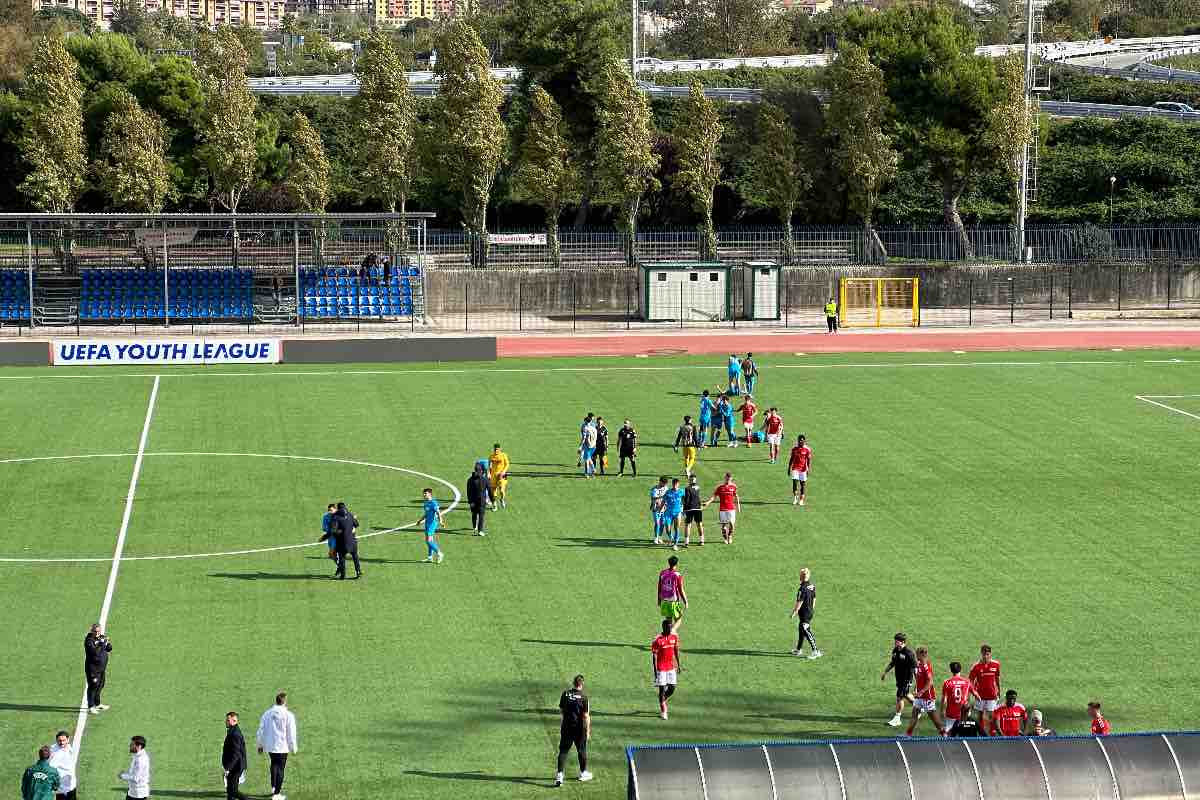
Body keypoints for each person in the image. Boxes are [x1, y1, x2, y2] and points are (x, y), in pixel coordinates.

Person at [257, 693, 298, 800]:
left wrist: (260, 744)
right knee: (280, 768)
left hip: (271, 746)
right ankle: (277, 794)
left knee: (274, 764)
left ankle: (273, 786)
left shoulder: (267, 713)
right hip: (283, 746)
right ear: (285, 701)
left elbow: (261, 730)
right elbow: (291, 732)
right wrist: (293, 747)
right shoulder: (288, 715)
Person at [555, 675, 592, 786]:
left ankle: (559, 775)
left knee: (563, 751)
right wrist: (587, 731)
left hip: (566, 727)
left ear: (573, 683)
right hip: (579, 729)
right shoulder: (584, 698)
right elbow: (585, 716)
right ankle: (583, 773)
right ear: (582, 684)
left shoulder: (565, 694)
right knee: (581, 750)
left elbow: (561, 710)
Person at [905, 647, 944, 736]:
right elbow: (919, 680)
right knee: (914, 714)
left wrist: (921, 692)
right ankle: (908, 734)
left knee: (934, 719)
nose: (916, 656)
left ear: (921, 655)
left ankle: (944, 734)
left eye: (917, 654)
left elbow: (930, 682)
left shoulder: (926, 666)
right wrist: (916, 689)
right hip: (919, 697)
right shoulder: (919, 665)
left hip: (927, 697)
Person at [881, 632, 917, 727]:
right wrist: (885, 672)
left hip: (906, 679)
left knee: (899, 697)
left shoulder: (909, 653)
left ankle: (897, 718)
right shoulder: (895, 650)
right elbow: (893, 662)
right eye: (895, 641)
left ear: (903, 642)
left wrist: (917, 684)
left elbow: (915, 668)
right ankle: (918, 706)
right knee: (905, 694)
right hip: (899, 678)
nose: (895, 643)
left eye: (897, 641)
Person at [650, 619, 682, 720]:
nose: (670, 629)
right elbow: (654, 656)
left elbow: (676, 650)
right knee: (662, 689)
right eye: (668, 627)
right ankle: (663, 711)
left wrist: (678, 665)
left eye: (671, 627)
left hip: (671, 667)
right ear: (663, 627)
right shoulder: (658, 640)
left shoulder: (674, 637)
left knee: (672, 688)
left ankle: (662, 699)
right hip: (661, 668)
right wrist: (655, 672)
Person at [969, 644, 1002, 736]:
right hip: (980, 695)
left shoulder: (996, 664)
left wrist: (999, 690)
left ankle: (991, 733)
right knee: (979, 716)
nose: (986, 656)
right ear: (981, 654)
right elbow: (970, 681)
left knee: (991, 716)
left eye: (987, 654)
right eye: (984, 654)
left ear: (990, 654)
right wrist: (974, 692)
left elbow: (997, 678)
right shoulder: (976, 666)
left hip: (992, 695)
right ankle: (981, 734)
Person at [789, 567, 821, 659]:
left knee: (806, 630)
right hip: (809, 611)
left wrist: (794, 612)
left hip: (805, 613)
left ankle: (816, 651)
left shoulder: (802, 589)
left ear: (801, 577)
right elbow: (814, 598)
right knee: (801, 630)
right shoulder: (812, 586)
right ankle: (798, 649)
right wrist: (811, 609)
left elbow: (800, 602)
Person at [703, 472, 740, 544]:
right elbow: (714, 496)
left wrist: (738, 505)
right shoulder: (720, 488)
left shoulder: (734, 487)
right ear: (725, 478)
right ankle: (725, 538)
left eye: (729, 478)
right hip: (722, 509)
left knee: (732, 524)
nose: (728, 479)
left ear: (731, 479)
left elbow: (736, 496)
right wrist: (708, 502)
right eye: (727, 478)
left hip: (731, 509)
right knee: (723, 526)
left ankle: (730, 536)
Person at [84, 623, 112, 715]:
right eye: (95, 631)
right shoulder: (89, 641)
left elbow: (109, 649)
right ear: (91, 631)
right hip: (93, 669)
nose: (97, 633)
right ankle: (90, 706)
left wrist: (107, 644)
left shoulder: (101, 638)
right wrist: (102, 644)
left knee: (100, 685)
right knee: (93, 686)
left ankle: (97, 703)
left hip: (101, 668)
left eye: (98, 631)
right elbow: (95, 653)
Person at [940, 661, 973, 735]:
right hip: (963, 714)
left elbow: (944, 699)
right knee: (964, 733)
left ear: (951, 670)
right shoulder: (967, 682)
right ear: (960, 669)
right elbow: (974, 694)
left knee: (948, 734)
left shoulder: (947, 682)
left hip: (951, 714)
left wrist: (942, 711)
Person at [657, 555, 688, 630]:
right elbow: (681, 589)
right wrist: (685, 601)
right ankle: (672, 632)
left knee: (669, 621)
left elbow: (659, 586)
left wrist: (659, 599)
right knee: (678, 619)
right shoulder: (677, 575)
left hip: (664, 601)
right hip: (673, 601)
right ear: (676, 563)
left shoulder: (662, 573)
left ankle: (669, 633)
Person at [222, 712, 248, 800]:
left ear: (234, 721)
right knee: (230, 790)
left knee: (233, 791)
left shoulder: (235, 734)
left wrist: (228, 768)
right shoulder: (232, 731)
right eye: (226, 720)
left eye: (228, 720)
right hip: (235, 766)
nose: (226, 721)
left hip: (236, 767)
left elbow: (235, 754)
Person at [332, 502, 360, 580]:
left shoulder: (336, 517)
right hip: (352, 541)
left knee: (342, 558)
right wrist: (354, 519)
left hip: (342, 542)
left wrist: (340, 532)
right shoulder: (350, 514)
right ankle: (358, 571)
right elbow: (356, 524)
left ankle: (343, 575)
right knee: (355, 556)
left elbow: (334, 531)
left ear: (338, 509)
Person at [119, 736, 150, 800]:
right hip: (133, 792)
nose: (130, 745)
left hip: (138, 795)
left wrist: (123, 776)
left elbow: (136, 778)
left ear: (139, 746)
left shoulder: (141, 760)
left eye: (132, 744)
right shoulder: (138, 755)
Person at [49, 731, 76, 800]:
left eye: (64, 740)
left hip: (71, 784)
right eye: (60, 741)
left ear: (68, 739)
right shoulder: (55, 752)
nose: (62, 743)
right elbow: (51, 767)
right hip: (61, 787)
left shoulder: (69, 748)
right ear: (56, 740)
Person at [421, 488, 445, 564]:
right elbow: (426, 514)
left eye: (425, 493)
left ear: (430, 494)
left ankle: (439, 553)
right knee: (429, 540)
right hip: (427, 523)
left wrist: (441, 521)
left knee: (428, 541)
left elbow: (438, 512)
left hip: (432, 524)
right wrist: (420, 520)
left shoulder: (433, 503)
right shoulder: (425, 503)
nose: (424, 495)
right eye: (424, 493)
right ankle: (430, 557)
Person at [466, 464, 491, 537]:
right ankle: (475, 526)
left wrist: (492, 500)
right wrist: (470, 502)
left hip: (481, 502)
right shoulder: (470, 480)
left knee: (481, 516)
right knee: (474, 514)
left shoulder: (484, 479)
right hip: (474, 501)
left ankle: (480, 530)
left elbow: (489, 490)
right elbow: (469, 492)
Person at [788, 435, 813, 507]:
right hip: (795, 468)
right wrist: (789, 468)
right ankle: (795, 498)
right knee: (795, 483)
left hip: (803, 469)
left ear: (804, 441)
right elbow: (791, 458)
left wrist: (808, 469)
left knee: (802, 485)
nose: (800, 441)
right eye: (799, 440)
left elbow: (808, 460)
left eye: (802, 440)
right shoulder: (794, 449)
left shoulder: (807, 449)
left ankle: (801, 500)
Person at [663, 478, 685, 550]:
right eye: (673, 484)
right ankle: (670, 538)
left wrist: (684, 510)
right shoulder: (668, 492)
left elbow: (684, 500)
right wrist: (660, 509)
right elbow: (663, 501)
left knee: (676, 528)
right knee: (667, 528)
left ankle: (675, 544)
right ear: (672, 484)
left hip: (677, 512)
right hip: (668, 513)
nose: (675, 485)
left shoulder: (681, 491)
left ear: (678, 484)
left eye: (676, 484)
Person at [682, 476, 704, 546]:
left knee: (688, 525)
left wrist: (684, 509)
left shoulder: (687, 488)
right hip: (698, 508)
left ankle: (686, 542)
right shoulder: (698, 487)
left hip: (689, 509)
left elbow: (687, 500)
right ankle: (702, 540)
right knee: (699, 524)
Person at [488, 443, 510, 509]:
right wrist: (489, 473)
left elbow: (507, 464)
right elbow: (489, 466)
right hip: (493, 475)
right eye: (495, 449)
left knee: (501, 490)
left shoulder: (503, 455)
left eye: (497, 449)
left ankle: (502, 499)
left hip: (501, 475)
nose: (496, 451)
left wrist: (503, 472)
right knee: (493, 491)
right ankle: (495, 505)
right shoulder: (491, 456)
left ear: (500, 449)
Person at [649, 476, 669, 545]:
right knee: (657, 523)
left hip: (664, 509)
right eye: (664, 483)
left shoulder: (666, 488)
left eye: (665, 484)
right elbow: (654, 498)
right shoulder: (654, 489)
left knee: (662, 523)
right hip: (656, 508)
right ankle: (656, 538)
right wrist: (663, 496)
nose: (664, 485)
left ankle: (660, 537)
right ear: (660, 482)